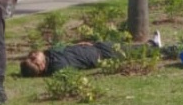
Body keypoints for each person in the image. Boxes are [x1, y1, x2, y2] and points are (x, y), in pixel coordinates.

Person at [20, 31, 163, 77]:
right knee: (127, 52)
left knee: (126, 47)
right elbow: (76, 66)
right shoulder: (57, 66)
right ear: (40, 65)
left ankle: (151, 45)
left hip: (95, 47)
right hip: (100, 55)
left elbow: (67, 49)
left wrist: (80, 44)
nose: (33, 54)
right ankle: (160, 49)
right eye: (33, 58)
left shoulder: (49, 55)